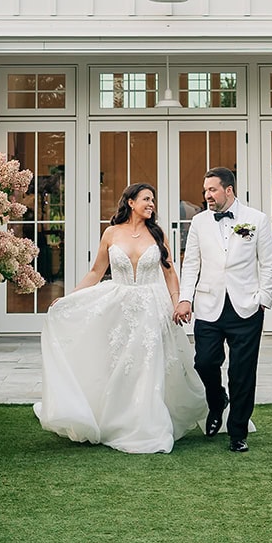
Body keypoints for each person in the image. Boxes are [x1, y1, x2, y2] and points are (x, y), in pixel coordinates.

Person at [34, 183, 205, 454]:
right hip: (120, 307)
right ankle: (118, 420)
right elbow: (96, 272)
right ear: (131, 202)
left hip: (152, 308)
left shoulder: (157, 234)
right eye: (146, 199)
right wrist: (69, 297)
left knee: (148, 366)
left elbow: (170, 272)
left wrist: (177, 303)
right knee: (121, 366)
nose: (151, 204)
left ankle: (148, 425)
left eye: (153, 200)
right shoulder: (111, 233)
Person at [173, 167, 272, 453]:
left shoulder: (256, 219)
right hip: (209, 305)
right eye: (205, 190)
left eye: (212, 189)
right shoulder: (199, 222)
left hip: (247, 307)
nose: (207, 195)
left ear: (228, 190)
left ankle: (237, 432)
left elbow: (268, 262)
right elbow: (191, 263)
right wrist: (185, 298)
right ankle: (217, 401)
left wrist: (263, 298)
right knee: (204, 363)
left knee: (242, 372)